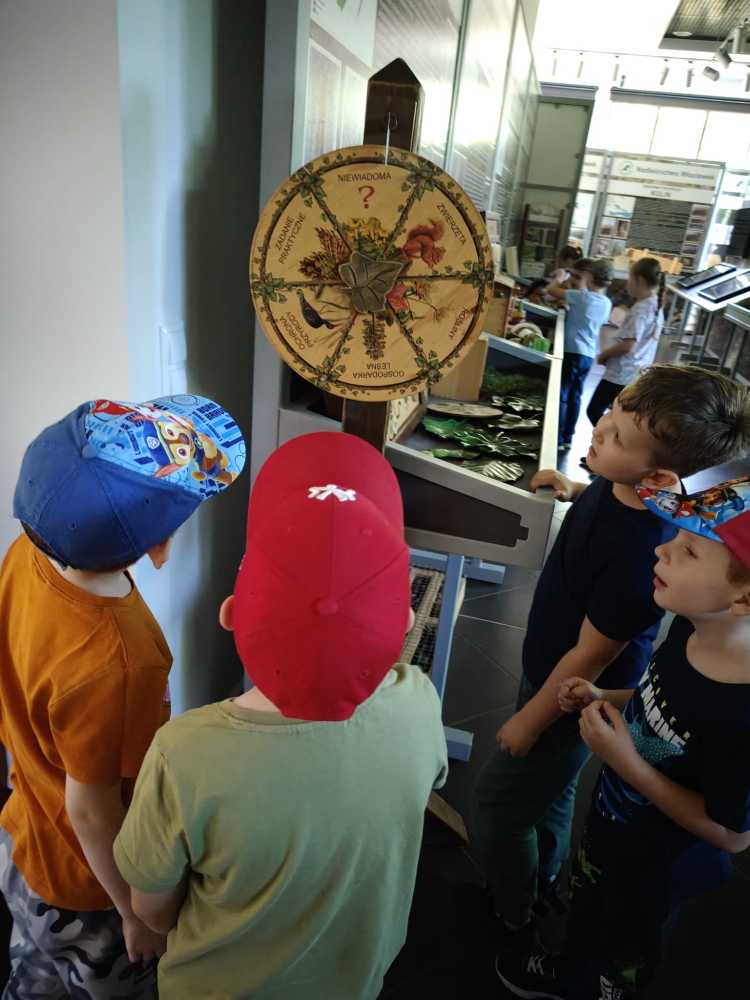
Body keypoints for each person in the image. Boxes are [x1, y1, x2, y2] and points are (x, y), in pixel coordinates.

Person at [113, 431, 449, 1000]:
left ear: (231, 614)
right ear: (406, 622)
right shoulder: (418, 702)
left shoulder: (184, 752)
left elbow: (153, 908)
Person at [470, 365, 750, 956]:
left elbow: (592, 654)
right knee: (552, 793)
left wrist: (530, 720)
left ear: (658, 476)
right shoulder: (628, 487)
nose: (599, 430)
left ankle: (513, 911)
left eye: (618, 436)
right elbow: (611, 497)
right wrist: (576, 488)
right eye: (610, 414)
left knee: (498, 806)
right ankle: (544, 879)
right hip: (560, 673)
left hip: (569, 684)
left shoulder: (638, 553)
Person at [0, 395, 245, 998]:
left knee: (33, 976)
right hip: (87, 891)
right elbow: (91, 809)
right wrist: (134, 914)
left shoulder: (28, 552)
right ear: (160, 546)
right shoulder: (123, 659)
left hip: (24, 837)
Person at [496, 475, 750, 999]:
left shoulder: (741, 709)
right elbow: (661, 694)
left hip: (658, 864)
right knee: (591, 910)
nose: (661, 549)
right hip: (616, 825)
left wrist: (624, 761)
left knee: (625, 945)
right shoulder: (693, 626)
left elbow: (732, 834)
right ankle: (573, 963)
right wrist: (605, 695)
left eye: (688, 550)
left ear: (743, 598)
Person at [587, 257, 666, 428]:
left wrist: (604, 355)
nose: (627, 283)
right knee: (618, 416)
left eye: (630, 277)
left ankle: (609, 441)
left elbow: (628, 345)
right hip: (635, 373)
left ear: (640, 280)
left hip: (622, 373)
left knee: (594, 410)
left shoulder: (641, 309)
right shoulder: (655, 305)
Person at [547, 258, 613, 451]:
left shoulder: (582, 297)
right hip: (588, 355)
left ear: (589, 276)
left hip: (572, 352)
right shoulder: (606, 302)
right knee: (575, 396)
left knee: (562, 395)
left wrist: (559, 277)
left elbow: (551, 290)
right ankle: (568, 437)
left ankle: (556, 439)